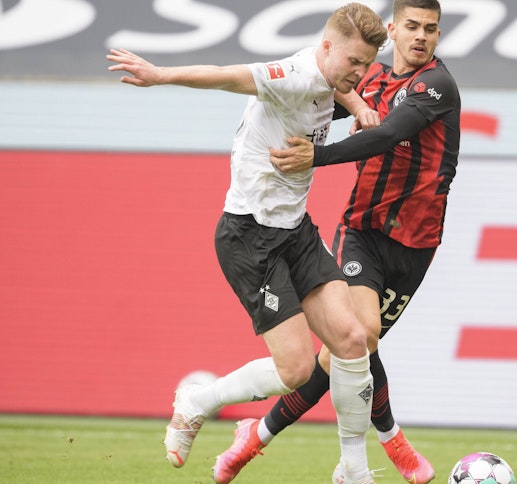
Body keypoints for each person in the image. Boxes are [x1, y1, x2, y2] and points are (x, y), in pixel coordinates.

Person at [106, 4, 388, 484]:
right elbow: (223, 75)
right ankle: (198, 402)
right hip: (249, 235)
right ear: (326, 47)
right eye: (353, 63)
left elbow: (344, 89)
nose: (360, 73)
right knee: (297, 368)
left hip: (295, 230)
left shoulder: (334, 76)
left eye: (366, 65)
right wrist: (159, 75)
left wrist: (360, 104)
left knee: (353, 339)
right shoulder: (291, 75)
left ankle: (353, 472)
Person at [222, 1, 460, 483]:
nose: (420, 37)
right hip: (362, 231)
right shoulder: (363, 79)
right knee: (361, 333)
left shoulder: (436, 84)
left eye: (430, 30)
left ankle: (255, 436)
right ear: (391, 30)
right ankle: (392, 442)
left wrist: (316, 156)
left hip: (417, 243)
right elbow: (305, 101)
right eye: (411, 26)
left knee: (338, 356)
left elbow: (387, 135)